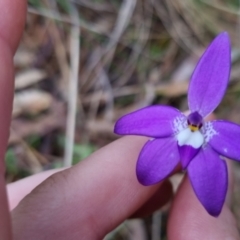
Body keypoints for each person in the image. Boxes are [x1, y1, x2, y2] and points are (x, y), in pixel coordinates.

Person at [0, 1, 239, 239]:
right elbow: (142, 164)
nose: (194, 123)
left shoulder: (210, 133)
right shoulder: (171, 123)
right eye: (192, 124)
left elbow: (210, 198)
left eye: (196, 125)